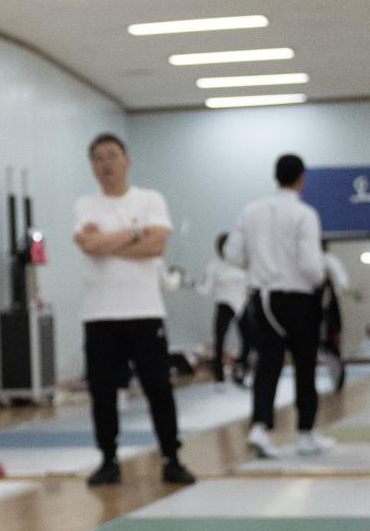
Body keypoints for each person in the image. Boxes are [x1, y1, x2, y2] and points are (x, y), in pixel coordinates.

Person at [71, 133, 193, 487]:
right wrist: (134, 235)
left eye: (112, 155)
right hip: (99, 314)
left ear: (126, 160)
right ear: (92, 166)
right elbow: (89, 247)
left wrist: (110, 240)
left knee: (158, 387)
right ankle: (108, 459)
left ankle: (172, 457)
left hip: (144, 311)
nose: (105, 163)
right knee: (103, 391)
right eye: (98, 158)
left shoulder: (150, 199)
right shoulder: (85, 205)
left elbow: (156, 246)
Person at [227, 154, 331, 458]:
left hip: (263, 298)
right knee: (305, 365)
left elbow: (233, 253)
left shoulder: (250, 211)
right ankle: (305, 433)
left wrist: (258, 267)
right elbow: (311, 264)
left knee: (268, 365)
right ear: (301, 178)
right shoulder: (305, 213)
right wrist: (321, 279)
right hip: (298, 297)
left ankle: (259, 427)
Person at [196, 233, 249, 385]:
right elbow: (205, 289)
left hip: (242, 304)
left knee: (249, 339)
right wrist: (191, 283)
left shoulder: (242, 264)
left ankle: (240, 369)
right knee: (219, 340)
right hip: (224, 304)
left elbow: (250, 282)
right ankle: (218, 375)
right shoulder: (213, 266)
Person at [318, 246, 357, 396]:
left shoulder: (327, 260)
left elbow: (341, 278)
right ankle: (335, 379)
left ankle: (338, 379)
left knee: (331, 348)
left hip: (328, 321)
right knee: (326, 350)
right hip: (318, 318)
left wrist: (345, 287)